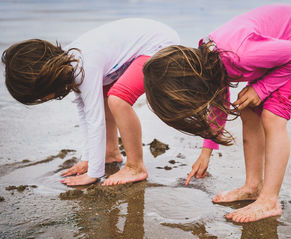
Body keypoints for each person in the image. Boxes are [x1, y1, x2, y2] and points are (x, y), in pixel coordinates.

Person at [143, 4, 291, 222]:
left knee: (273, 116)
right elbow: (219, 100)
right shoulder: (209, 60)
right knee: (248, 108)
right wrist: (206, 152)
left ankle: (269, 200)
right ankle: (253, 186)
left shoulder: (240, 55)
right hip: (276, 46)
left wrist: (261, 89)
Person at [2, 18, 180, 186]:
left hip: (160, 46)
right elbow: (84, 111)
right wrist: (88, 159)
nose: (42, 100)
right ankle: (109, 153)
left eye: (39, 96)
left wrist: (94, 173)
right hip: (144, 47)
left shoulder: (84, 65)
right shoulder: (71, 65)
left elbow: (95, 121)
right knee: (105, 96)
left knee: (118, 99)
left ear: (45, 79)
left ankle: (136, 167)